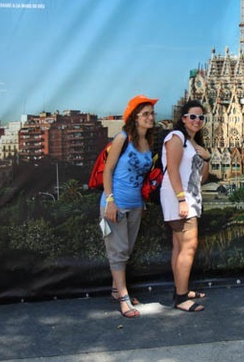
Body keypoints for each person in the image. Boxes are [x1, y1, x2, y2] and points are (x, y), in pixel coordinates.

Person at [102, 94, 158, 319]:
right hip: (116, 203)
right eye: (145, 114)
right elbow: (108, 170)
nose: (150, 117)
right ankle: (124, 298)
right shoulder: (122, 138)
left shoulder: (147, 142)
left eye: (152, 113)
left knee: (126, 249)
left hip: (135, 204)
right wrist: (110, 201)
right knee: (118, 250)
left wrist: (142, 202)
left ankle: (117, 291)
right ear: (134, 118)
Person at [160, 100, 210, 312]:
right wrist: (181, 199)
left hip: (190, 198)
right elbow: (172, 170)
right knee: (188, 247)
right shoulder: (176, 138)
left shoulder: (192, 143)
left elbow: (202, 178)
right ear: (183, 118)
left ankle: (181, 289)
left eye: (201, 118)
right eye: (192, 116)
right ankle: (181, 298)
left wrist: (206, 157)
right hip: (178, 198)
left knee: (180, 247)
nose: (197, 121)